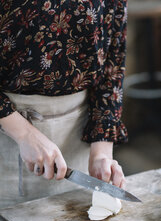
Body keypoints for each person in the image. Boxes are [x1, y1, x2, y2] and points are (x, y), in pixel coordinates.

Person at [0, 0, 128, 208]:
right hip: (6, 137)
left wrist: (101, 151)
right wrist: (24, 134)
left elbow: (113, 59)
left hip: (77, 142)